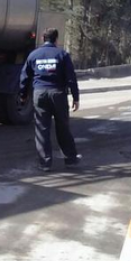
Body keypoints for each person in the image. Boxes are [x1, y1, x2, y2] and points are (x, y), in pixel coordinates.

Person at [19, 28, 81, 171]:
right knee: (63, 127)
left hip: (39, 94)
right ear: (56, 39)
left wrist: (23, 95)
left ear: (42, 38)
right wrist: (75, 97)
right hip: (58, 94)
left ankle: (44, 163)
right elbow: (71, 78)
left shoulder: (33, 55)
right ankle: (70, 160)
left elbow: (24, 77)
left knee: (42, 129)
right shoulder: (62, 54)